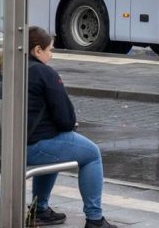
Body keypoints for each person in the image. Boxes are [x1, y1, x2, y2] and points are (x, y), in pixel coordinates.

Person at [27, 26, 117, 228]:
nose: (51, 55)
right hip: (29, 148)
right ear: (37, 50)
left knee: (54, 148)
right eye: (49, 50)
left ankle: (39, 209)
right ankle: (95, 219)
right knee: (92, 154)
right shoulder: (44, 73)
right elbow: (66, 120)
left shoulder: (4, 68)